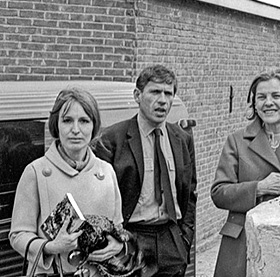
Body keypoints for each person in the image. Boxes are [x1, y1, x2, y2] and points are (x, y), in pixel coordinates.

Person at [211, 68, 280, 277]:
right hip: (241, 245)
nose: (268, 102)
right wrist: (258, 188)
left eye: (276, 96)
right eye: (261, 97)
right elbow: (219, 192)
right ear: (254, 103)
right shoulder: (237, 141)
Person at [93, 64, 197, 277]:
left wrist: (184, 238)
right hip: (132, 240)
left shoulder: (182, 139)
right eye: (155, 92)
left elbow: (190, 193)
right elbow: (100, 201)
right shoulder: (112, 139)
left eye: (168, 93)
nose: (162, 100)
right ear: (137, 96)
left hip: (172, 242)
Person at [10, 87, 126, 276]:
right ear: (56, 125)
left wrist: (117, 244)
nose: (75, 130)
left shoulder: (106, 171)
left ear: (94, 126)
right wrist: (51, 246)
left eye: (84, 121)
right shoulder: (36, 172)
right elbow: (18, 235)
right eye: (67, 120)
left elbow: (117, 227)